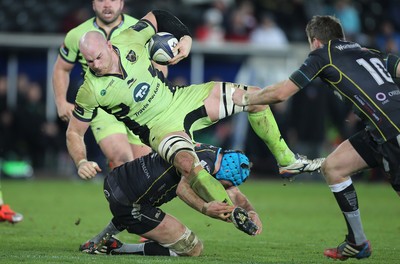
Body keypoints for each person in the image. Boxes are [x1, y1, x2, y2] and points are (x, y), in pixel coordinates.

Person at [66, 9, 324, 219]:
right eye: (89, 62)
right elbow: (75, 132)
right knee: (188, 165)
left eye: (98, 58)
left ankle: (286, 160)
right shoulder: (90, 89)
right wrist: (81, 162)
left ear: (109, 46)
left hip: (180, 99)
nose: (95, 65)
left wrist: (185, 37)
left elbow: (158, 16)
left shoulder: (128, 38)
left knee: (255, 96)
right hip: (159, 128)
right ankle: (232, 213)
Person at [232, 15, 400, 261]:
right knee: (334, 167)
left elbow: (280, 94)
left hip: (392, 130)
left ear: (315, 41)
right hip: (378, 129)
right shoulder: (368, 52)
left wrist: (245, 99)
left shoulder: (323, 55)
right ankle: (358, 241)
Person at [79, 143, 261, 256]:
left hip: (116, 179)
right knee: (192, 248)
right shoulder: (204, 165)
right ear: (226, 173)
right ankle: (118, 249)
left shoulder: (210, 152)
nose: (224, 188)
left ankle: (96, 241)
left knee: (139, 207)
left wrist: (251, 211)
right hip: (129, 202)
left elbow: (235, 193)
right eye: (225, 184)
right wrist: (206, 208)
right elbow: (183, 189)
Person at [53, 0, 164, 170]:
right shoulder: (77, 35)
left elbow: (159, 63)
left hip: (138, 106)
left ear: (121, 2)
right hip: (103, 108)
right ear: (92, 4)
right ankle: (117, 176)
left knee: (144, 167)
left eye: (112, 0)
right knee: (122, 159)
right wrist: (60, 101)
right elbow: (61, 68)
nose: (106, 5)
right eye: (101, 0)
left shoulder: (137, 27)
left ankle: (123, 186)